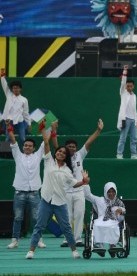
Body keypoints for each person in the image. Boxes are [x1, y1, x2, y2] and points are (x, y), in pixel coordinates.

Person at [26, 125, 90, 259]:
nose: (60, 153)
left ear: (65, 156)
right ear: (56, 153)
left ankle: (74, 251)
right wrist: (44, 130)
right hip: (46, 201)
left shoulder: (68, 170)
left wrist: (83, 182)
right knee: (39, 226)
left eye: (63, 153)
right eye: (59, 151)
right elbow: (47, 143)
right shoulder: (48, 160)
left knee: (66, 228)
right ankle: (31, 251)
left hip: (60, 203)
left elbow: (74, 184)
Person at [60, 119, 104, 247]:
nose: (71, 148)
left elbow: (89, 141)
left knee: (79, 214)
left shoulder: (80, 155)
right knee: (67, 217)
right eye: (69, 147)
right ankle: (66, 239)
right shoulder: (61, 157)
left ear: (76, 148)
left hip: (79, 190)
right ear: (65, 148)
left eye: (73, 147)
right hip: (66, 191)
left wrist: (99, 130)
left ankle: (78, 239)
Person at [5, 121, 48, 249]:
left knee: (36, 218)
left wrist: (46, 128)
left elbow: (45, 142)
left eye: (30, 146)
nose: (27, 147)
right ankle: (15, 240)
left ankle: (39, 239)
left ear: (33, 148)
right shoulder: (17, 154)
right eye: (25, 145)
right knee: (18, 218)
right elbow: (12, 140)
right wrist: (9, 127)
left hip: (35, 193)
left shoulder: (38, 155)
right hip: (19, 193)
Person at [83, 181, 126, 257]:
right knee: (97, 225)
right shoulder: (99, 200)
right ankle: (100, 246)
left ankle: (112, 245)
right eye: (109, 192)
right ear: (105, 192)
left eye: (113, 191)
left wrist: (121, 210)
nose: (111, 193)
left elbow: (124, 210)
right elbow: (87, 195)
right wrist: (85, 183)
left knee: (113, 226)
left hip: (113, 220)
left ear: (116, 192)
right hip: (101, 219)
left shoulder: (118, 202)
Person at [1, 68, 31, 146]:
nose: (15, 89)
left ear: (20, 89)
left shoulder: (24, 99)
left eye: (17, 88)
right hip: (9, 121)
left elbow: (26, 113)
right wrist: (2, 76)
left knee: (22, 138)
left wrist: (29, 123)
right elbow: (4, 85)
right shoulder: (9, 95)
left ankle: (23, 154)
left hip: (20, 121)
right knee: (7, 138)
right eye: (14, 88)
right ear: (12, 89)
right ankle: (5, 155)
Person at [116, 65, 137, 159]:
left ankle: (134, 155)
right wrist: (125, 71)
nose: (129, 87)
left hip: (133, 120)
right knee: (123, 138)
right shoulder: (123, 93)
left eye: (131, 86)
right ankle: (119, 154)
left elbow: (135, 109)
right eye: (127, 86)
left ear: (133, 86)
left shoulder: (134, 96)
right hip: (125, 119)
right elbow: (122, 82)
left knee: (134, 138)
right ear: (125, 86)